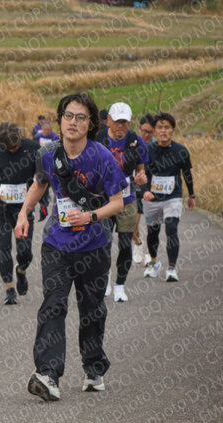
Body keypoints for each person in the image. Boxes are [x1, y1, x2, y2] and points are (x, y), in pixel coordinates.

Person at [13, 92, 126, 402]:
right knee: (53, 304)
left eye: (80, 117)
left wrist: (90, 216)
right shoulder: (48, 154)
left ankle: (94, 367)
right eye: (68, 116)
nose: (73, 122)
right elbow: (39, 184)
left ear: (90, 124)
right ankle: (48, 374)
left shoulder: (102, 156)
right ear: (60, 120)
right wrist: (23, 213)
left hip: (94, 245)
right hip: (57, 244)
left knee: (92, 310)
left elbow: (118, 202)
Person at [96, 102, 149, 302]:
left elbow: (141, 170)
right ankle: (106, 279)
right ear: (109, 120)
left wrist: (142, 177)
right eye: (117, 121)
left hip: (127, 198)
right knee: (104, 243)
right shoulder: (98, 139)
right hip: (103, 199)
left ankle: (120, 285)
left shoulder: (136, 141)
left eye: (125, 122)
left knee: (125, 244)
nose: (121, 126)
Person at [0, 122, 41, 305]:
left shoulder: (33, 148)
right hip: (1, 207)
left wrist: (44, 203)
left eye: (15, 146)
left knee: (25, 251)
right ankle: (9, 289)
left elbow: (42, 179)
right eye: (9, 148)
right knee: (4, 246)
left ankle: (21, 271)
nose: (13, 150)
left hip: (24, 207)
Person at [143, 112, 196, 282]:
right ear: (154, 131)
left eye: (167, 127)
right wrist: (145, 190)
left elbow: (187, 174)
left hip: (173, 197)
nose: (163, 131)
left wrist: (191, 195)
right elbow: (141, 173)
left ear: (173, 130)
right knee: (153, 232)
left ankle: (171, 268)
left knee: (171, 228)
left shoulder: (181, 151)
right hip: (152, 197)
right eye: (160, 127)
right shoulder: (147, 150)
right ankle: (153, 262)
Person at [133, 113, 156, 266]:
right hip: (134, 188)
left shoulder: (155, 146)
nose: (146, 135)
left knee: (152, 225)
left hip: (151, 188)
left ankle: (149, 253)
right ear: (139, 128)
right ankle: (138, 243)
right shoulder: (132, 142)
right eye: (144, 131)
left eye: (150, 132)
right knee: (132, 224)